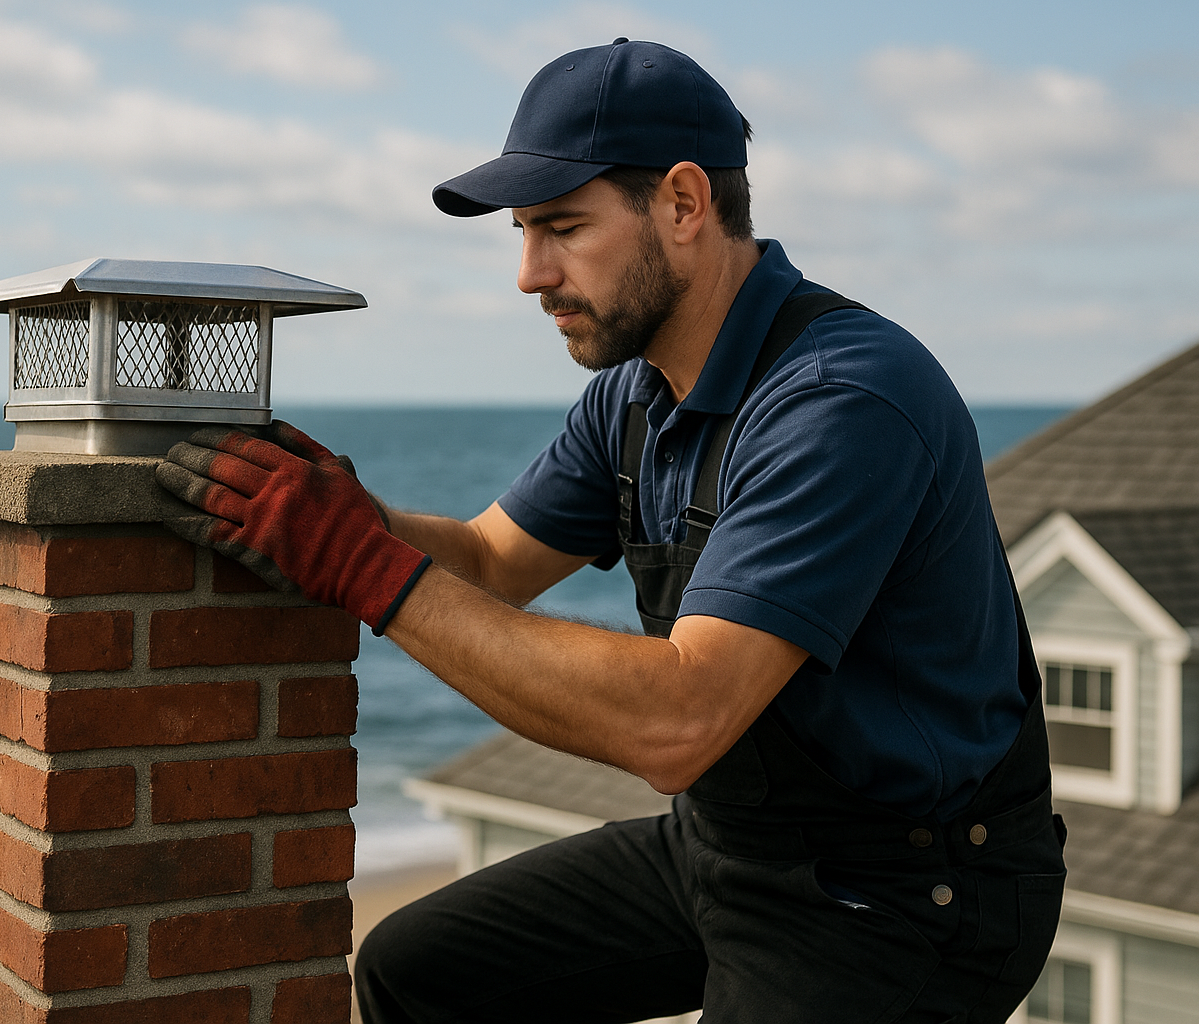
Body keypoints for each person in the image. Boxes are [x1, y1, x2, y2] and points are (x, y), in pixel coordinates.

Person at [156, 38, 1066, 1024]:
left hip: (902, 894)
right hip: (728, 847)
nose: (529, 274)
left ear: (683, 203)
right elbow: (491, 561)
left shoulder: (842, 399)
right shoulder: (635, 392)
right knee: (411, 973)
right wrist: (335, 510)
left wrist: (360, 564)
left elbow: (678, 720)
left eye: (562, 228)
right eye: (522, 233)